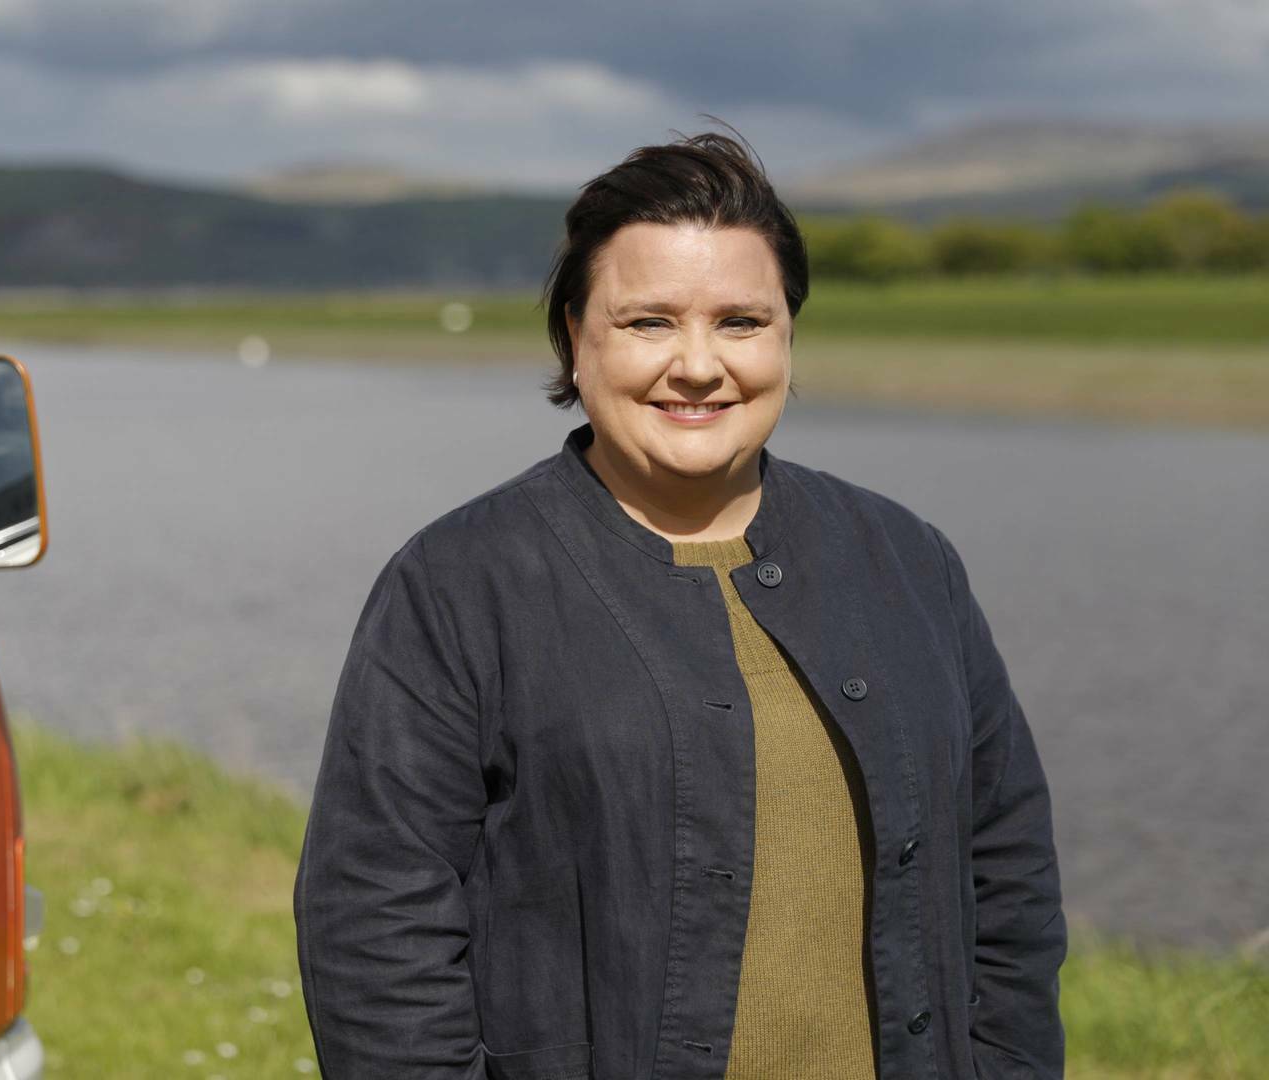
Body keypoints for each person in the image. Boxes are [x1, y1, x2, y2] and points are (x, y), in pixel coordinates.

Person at [292, 132, 1065, 1080]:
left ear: (789, 336)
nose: (699, 366)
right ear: (575, 338)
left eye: (742, 321)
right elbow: (375, 926)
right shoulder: (457, 584)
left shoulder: (908, 560)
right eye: (649, 322)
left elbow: (1010, 873)